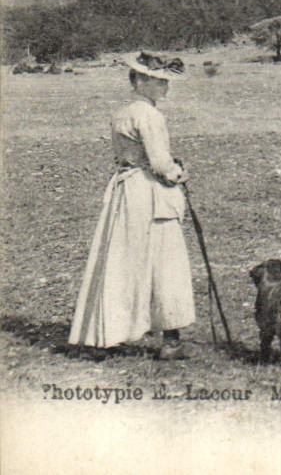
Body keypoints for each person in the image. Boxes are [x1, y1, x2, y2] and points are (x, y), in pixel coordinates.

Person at [69, 51, 197, 359]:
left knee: (122, 259)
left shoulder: (123, 113)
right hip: (150, 193)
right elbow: (160, 164)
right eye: (158, 81)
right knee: (166, 263)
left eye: (165, 81)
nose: (165, 87)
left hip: (126, 192)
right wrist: (178, 173)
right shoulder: (150, 116)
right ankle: (171, 340)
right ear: (140, 81)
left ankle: (109, 332)